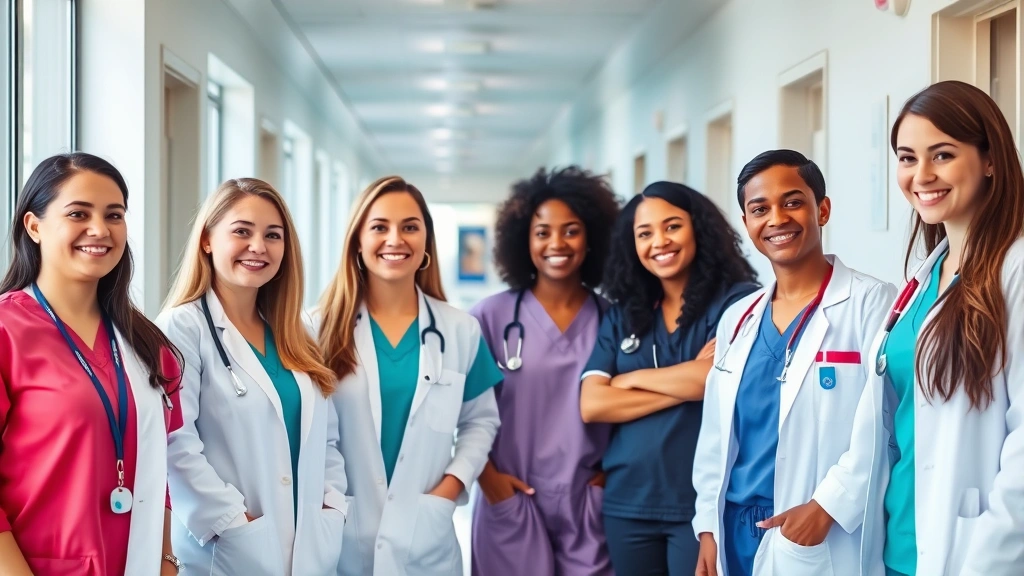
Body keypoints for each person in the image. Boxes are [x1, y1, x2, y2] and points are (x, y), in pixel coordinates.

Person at [691, 150, 896, 576]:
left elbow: (881, 421)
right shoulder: (739, 317)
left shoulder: (870, 302)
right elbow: (715, 435)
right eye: (759, 208)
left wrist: (827, 507)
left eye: (793, 201)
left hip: (813, 525)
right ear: (746, 223)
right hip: (733, 528)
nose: (777, 219)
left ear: (822, 208)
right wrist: (708, 528)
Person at [862, 80, 1024, 576]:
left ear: (990, 158)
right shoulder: (926, 274)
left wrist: (990, 560)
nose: (921, 175)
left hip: (971, 551)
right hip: (900, 546)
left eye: (943, 155)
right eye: (907, 158)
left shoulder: (1014, 269)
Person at [0, 153, 183, 576]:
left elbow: (158, 470)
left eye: (114, 215)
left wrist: (166, 561)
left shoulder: (146, 346)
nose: (100, 230)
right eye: (78, 213)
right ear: (34, 226)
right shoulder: (8, 331)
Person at [156, 178, 348, 575]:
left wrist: (332, 503)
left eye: (272, 235)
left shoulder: (296, 331)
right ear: (208, 240)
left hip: (309, 546)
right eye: (242, 231)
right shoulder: (183, 327)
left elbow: (326, 439)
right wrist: (230, 521)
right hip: (227, 551)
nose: (258, 246)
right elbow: (175, 443)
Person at [313, 176, 502, 576]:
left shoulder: (459, 330)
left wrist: (449, 489)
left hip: (426, 543)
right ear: (358, 242)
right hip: (340, 540)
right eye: (379, 226)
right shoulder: (316, 329)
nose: (395, 239)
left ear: (426, 243)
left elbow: (480, 421)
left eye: (410, 227)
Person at [579, 181, 759, 576]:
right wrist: (686, 384)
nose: (659, 241)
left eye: (672, 226)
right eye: (644, 233)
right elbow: (593, 404)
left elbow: (711, 377)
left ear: (698, 227)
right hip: (629, 502)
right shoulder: (625, 314)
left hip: (700, 505)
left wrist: (627, 380)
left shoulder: (737, 302)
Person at [470, 166, 620, 576]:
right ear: (524, 240)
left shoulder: (616, 320)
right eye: (542, 232)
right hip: (510, 496)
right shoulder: (490, 317)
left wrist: (612, 475)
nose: (557, 243)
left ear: (592, 237)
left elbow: (630, 409)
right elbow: (457, 412)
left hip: (588, 502)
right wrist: (488, 479)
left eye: (571, 230)